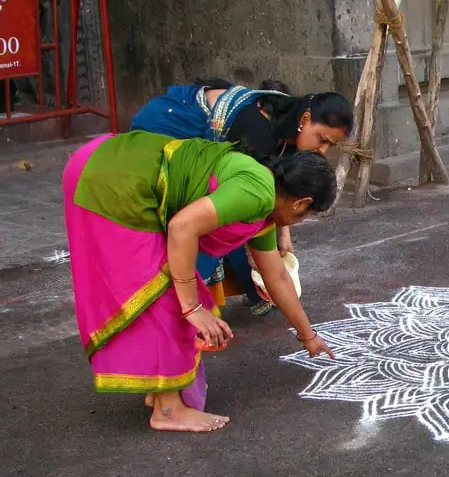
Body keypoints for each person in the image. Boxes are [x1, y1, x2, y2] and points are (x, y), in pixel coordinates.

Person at [63, 130, 336, 432]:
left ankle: (161, 390)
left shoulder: (265, 204)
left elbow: (277, 277)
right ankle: (168, 409)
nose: (294, 224)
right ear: (301, 203)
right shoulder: (257, 192)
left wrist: (308, 335)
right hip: (113, 177)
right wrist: (192, 308)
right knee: (172, 298)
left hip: (111, 165)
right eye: (302, 217)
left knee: (176, 292)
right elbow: (182, 228)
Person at [130, 79, 353, 316]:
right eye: (322, 139)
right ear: (305, 119)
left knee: (244, 225)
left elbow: (282, 194)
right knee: (216, 226)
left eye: (331, 145)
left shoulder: (292, 141)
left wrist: (284, 232)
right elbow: (247, 210)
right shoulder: (257, 132)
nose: (323, 150)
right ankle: (173, 305)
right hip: (164, 132)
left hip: (219, 173)